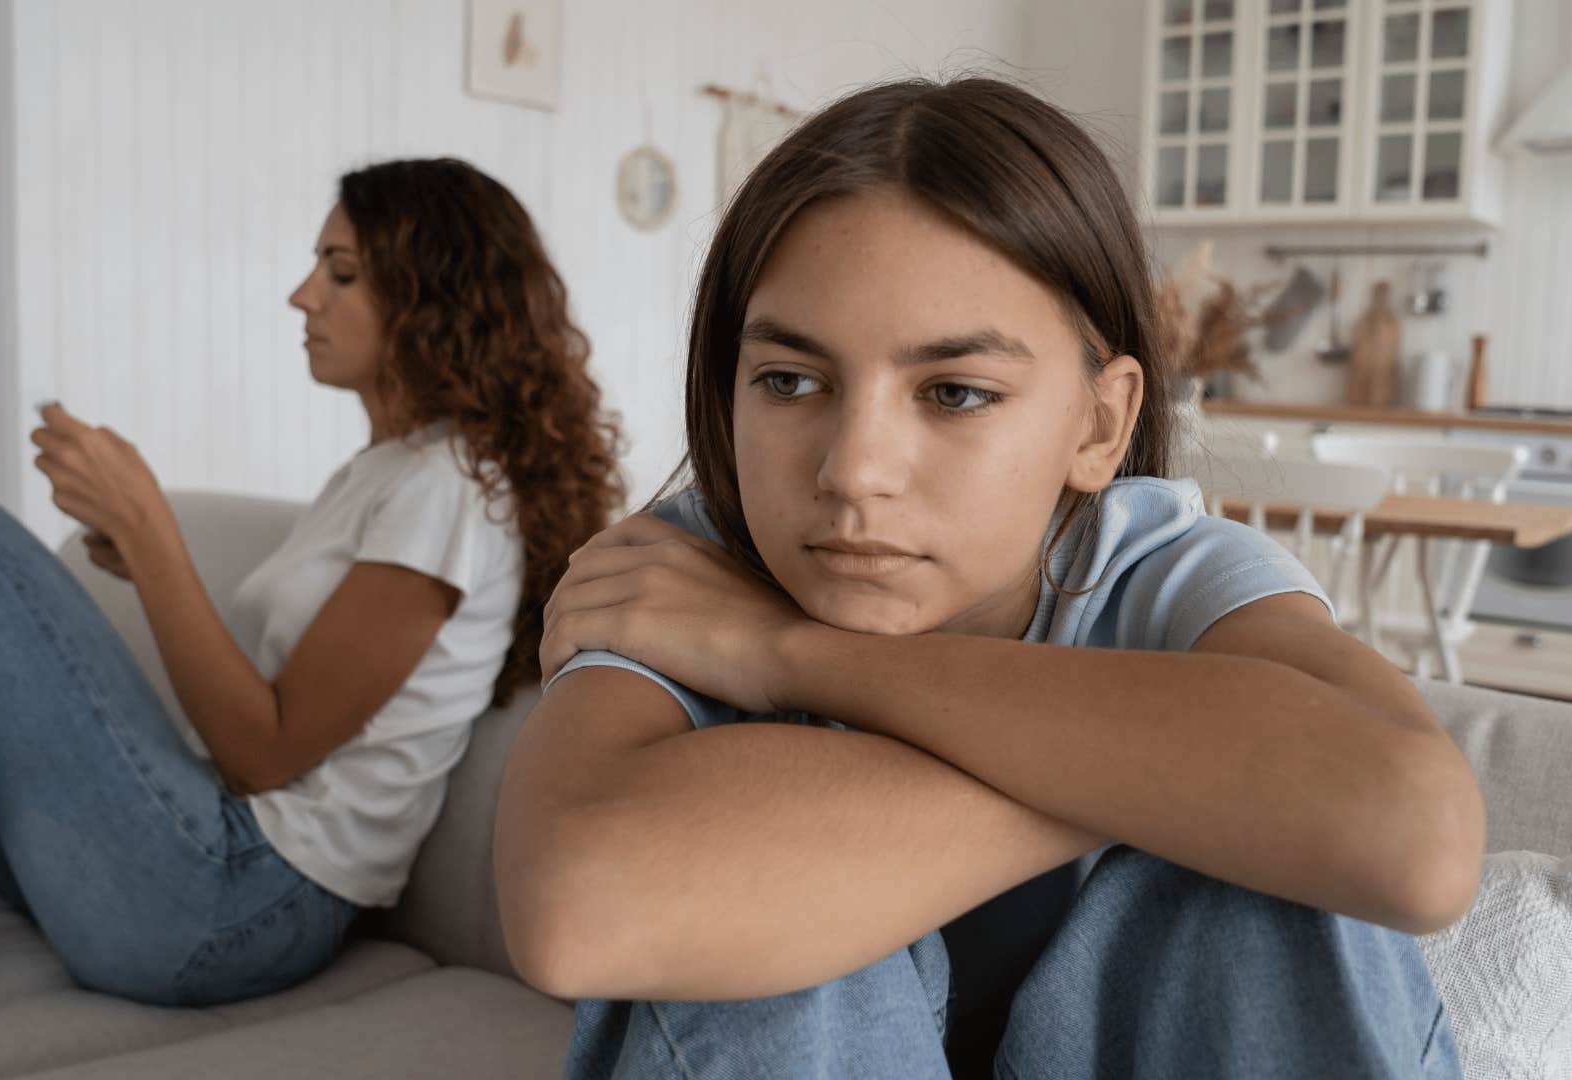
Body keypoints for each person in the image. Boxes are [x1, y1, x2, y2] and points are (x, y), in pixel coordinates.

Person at [494, 79, 1484, 1079]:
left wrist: (787, 653)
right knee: (745, 909)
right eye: (790, 382)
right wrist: (1194, 781)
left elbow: (1418, 840)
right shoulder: (678, 577)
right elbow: (572, 912)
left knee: (1254, 894)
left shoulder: (1158, 574)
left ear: (1098, 424)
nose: (852, 470)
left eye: (956, 393)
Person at [0, 157, 622, 1040]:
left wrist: (156, 536)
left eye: (341, 273)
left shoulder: (452, 490)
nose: (301, 296)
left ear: (434, 300)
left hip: (239, 899)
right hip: (211, 860)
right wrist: (139, 552)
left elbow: (265, 754)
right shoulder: (386, 472)